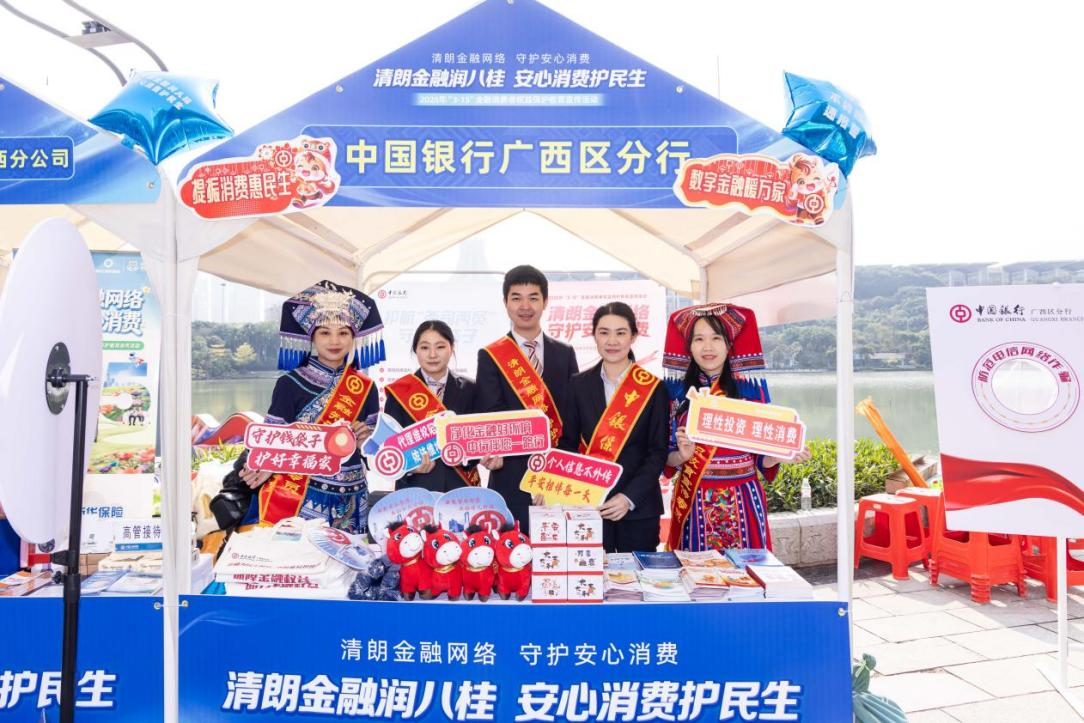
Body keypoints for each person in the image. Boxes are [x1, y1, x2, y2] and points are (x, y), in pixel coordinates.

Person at [228, 280, 385, 535]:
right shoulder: (290, 384)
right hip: (302, 495)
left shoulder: (365, 387)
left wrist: (365, 442)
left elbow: (374, 452)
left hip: (353, 496)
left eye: (343, 333)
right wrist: (260, 464)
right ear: (311, 337)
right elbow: (271, 439)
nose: (335, 341)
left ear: (353, 337)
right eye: (325, 332)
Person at [663, 303, 810, 552]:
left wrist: (780, 455)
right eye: (699, 339)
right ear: (689, 347)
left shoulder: (750, 392)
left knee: (746, 571)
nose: (707, 347)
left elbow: (762, 458)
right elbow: (666, 457)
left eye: (716, 338)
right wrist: (682, 455)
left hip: (743, 497)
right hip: (694, 499)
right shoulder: (675, 395)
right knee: (698, 572)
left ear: (729, 345)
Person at [559, 303, 669, 553]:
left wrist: (628, 498)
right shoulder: (577, 385)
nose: (612, 341)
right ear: (594, 335)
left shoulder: (653, 388)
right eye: (604, 332)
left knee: (639, 575)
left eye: (620, 333)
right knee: (592, 573)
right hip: (590, 505)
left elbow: (657, 452)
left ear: (633, 336)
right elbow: (568, 444)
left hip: (639, 508)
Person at [476, 265, 578, 527]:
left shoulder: (565, 354)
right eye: (516, 298)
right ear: (505, 303)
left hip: (557, 479)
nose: (525, 306)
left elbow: (572, 417)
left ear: (545, 301)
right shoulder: (490, 356)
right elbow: (491, 414)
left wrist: (554, 473)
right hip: (510, 476)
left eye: (533, 297)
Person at [383, 320, 480, 492]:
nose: (432, 354)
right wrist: (409, 467)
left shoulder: (470, 389)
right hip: (415, 490)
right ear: (415, 350)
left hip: (460, 489)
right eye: (425, 347)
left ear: (452, 348)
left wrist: (467, 457)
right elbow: (389, 446)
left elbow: (479, 440)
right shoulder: (399, 391)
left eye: (440, 347)